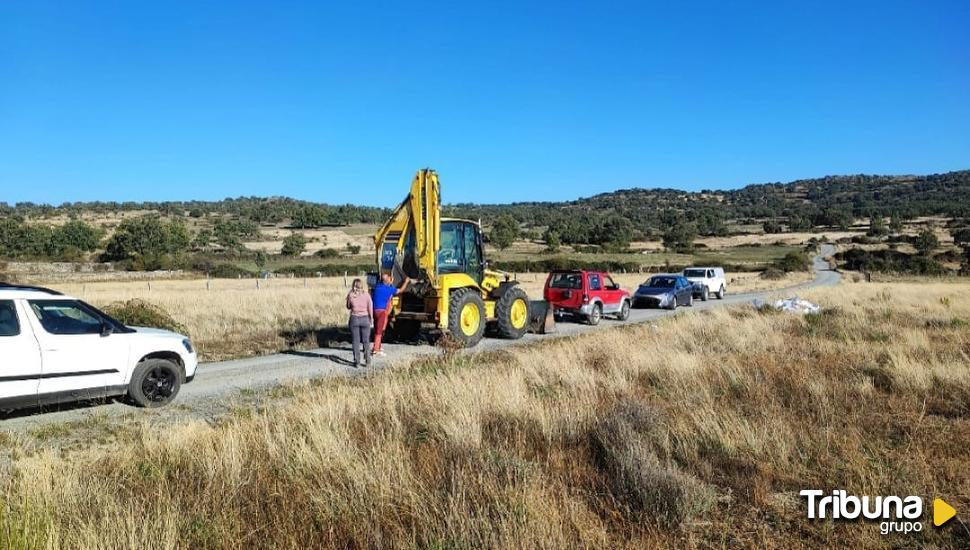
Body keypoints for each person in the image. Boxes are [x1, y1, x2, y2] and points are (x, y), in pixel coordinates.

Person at [371, 272, 410, 356]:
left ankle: (378, 346)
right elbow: (401, 290)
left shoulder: (377, 287)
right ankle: (376, 349)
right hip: (382, 311)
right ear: (387, 280)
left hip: (374, 310)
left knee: (377, 328)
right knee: (379, 331)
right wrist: (406, 282)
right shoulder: (389, 289)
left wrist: (389, 282)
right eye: (390, 278)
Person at [345, 278, 373, 367]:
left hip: (354, 318)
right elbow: (370, 308)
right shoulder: (367, 295)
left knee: (355, 341)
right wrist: (371, 318)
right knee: (366, 341)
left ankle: (357, 361)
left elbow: (348, 306)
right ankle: (367, 360)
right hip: (365, 318)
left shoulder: (351, 295)